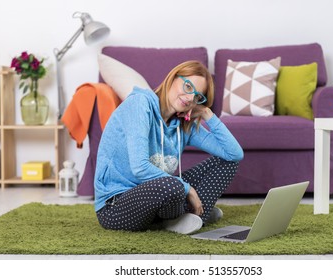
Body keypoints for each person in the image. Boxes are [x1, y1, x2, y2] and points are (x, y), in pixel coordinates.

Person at [94, 60, 243, 234]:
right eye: (188, 87)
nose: (189, 98)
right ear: (172, 78)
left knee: (226, 163)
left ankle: (190, 216)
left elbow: (234, 154)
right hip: (115, 206)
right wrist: (188, 189)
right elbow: (140, 168)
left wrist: (206, 114)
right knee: (174, 187)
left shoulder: (184, 125)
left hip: (159, 198)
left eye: (197, 97)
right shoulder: (140, 104)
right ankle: (190, 215)